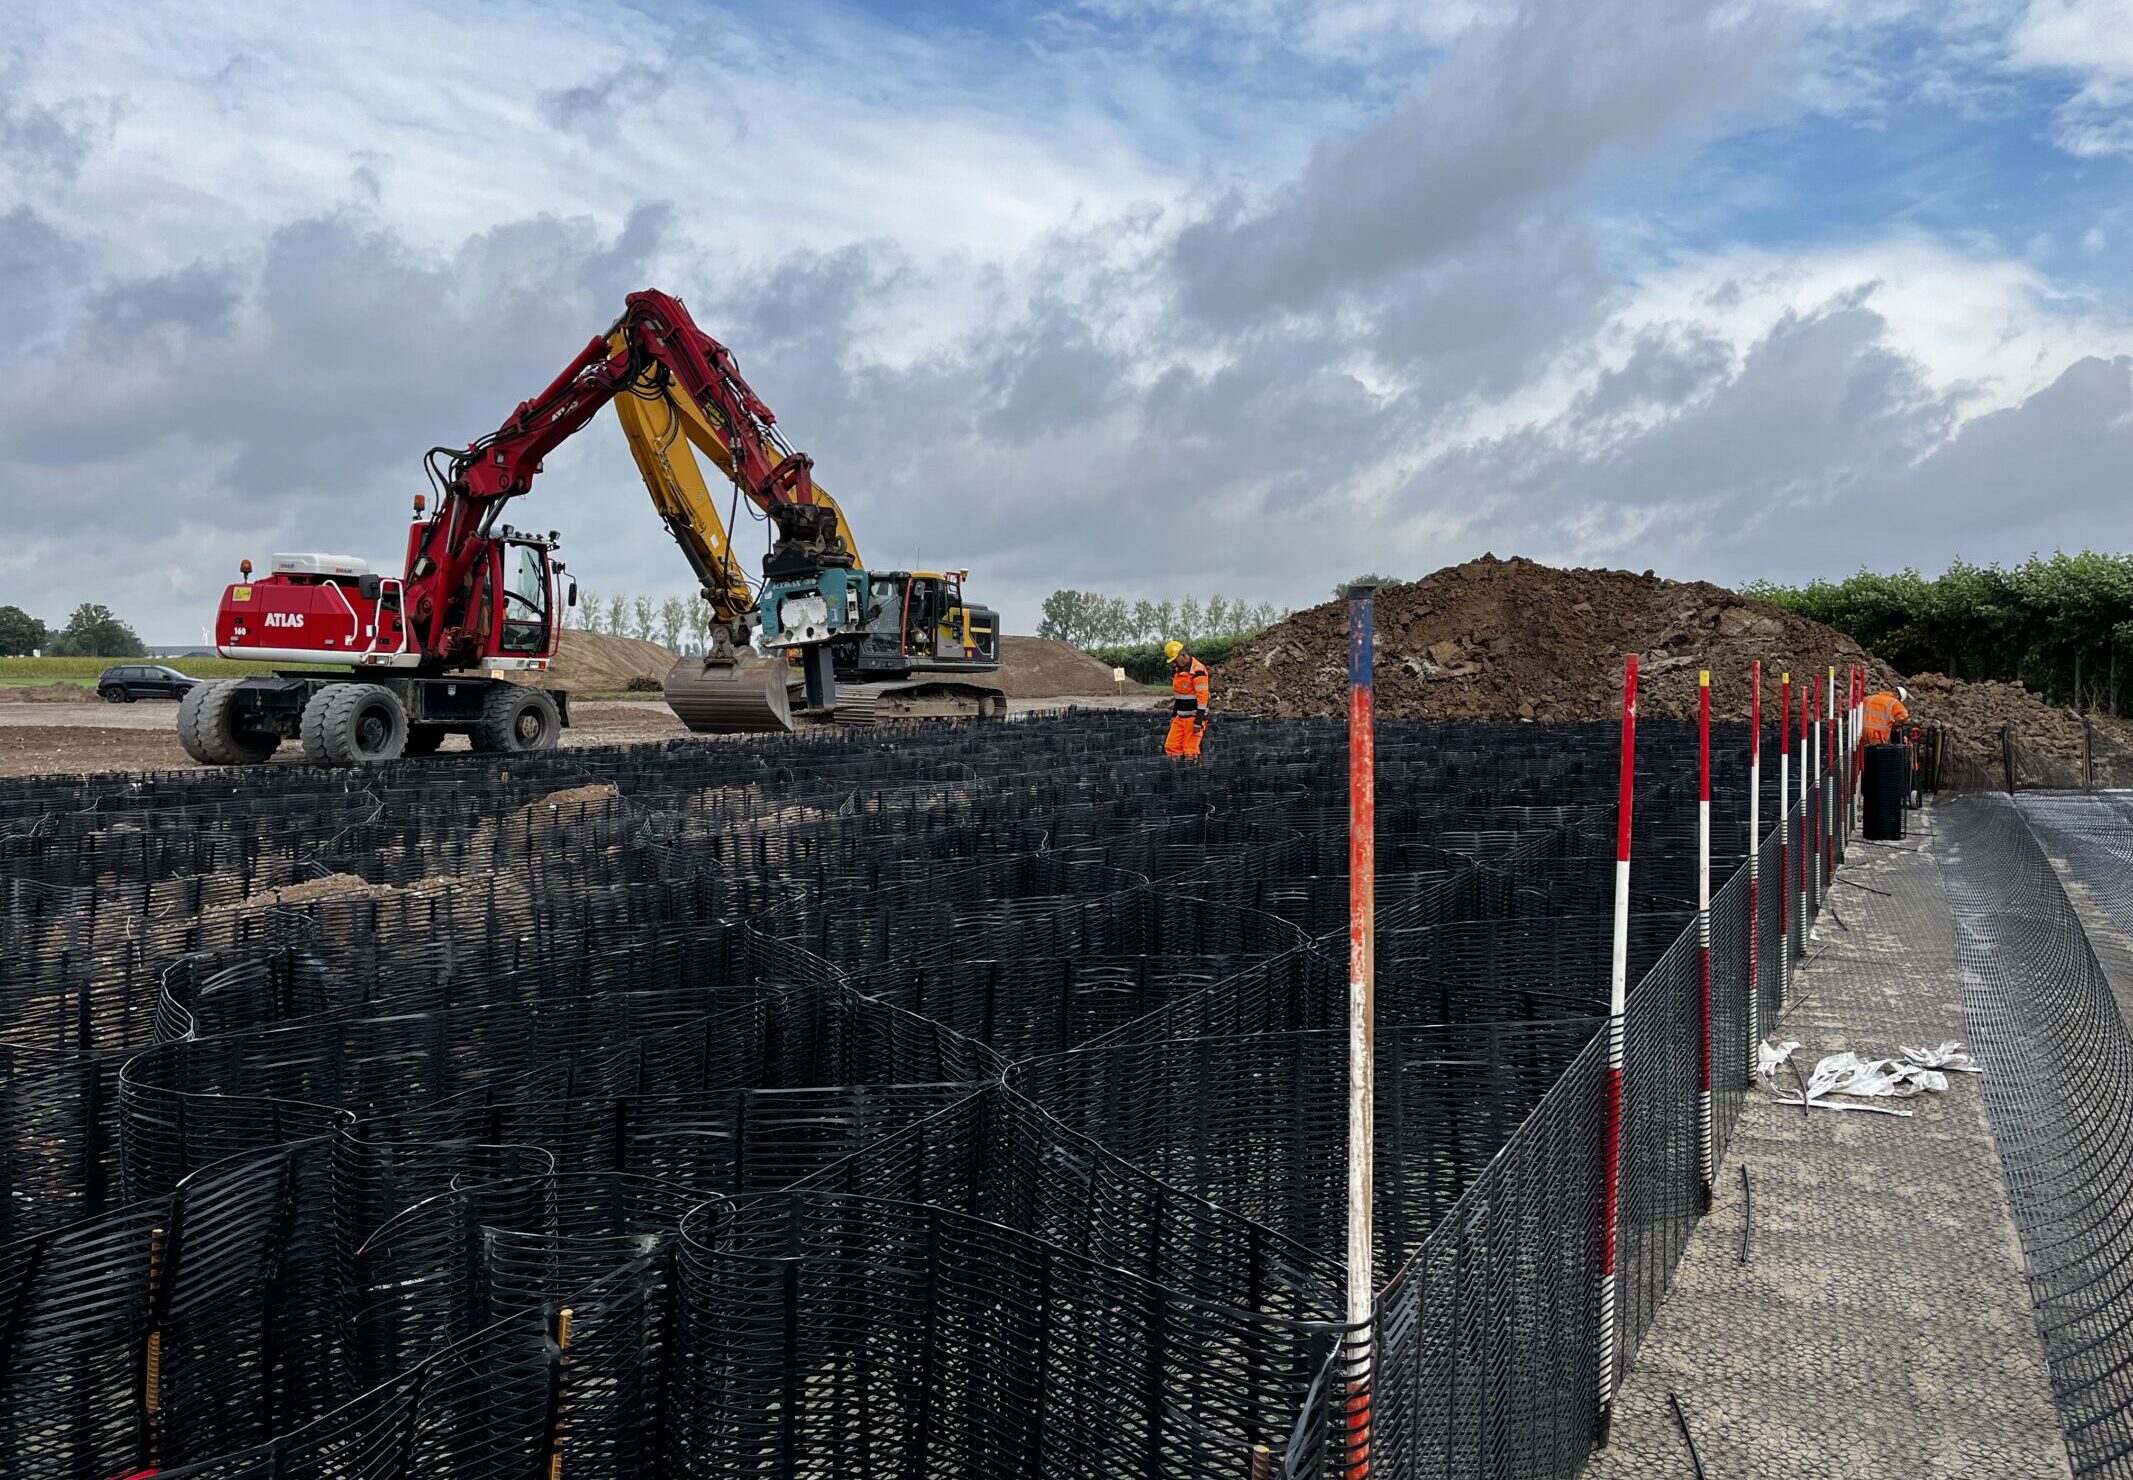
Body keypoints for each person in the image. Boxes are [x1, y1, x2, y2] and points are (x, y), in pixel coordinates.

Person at [1163, 639, 1210, 758]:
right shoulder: (1179, 672)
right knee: (1171, 746)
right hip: (1181, 717)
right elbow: (1179, 697)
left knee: (1190, 750)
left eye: (1175, 660)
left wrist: (1198, 721)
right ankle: (1177, 774)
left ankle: (1191, 774)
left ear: (1183, 655)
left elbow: (1203, 698)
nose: (1174, 664)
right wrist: (1174, 716)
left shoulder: (1198, 671)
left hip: (1193, 718)